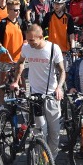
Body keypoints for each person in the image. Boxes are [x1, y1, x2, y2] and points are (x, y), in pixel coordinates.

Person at [9, 25, 65, 158]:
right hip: (35, 96)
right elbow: (21, 62)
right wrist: (16, 81)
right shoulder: (27, 48)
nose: (29, 42)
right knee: (40, 132)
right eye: (27, 39)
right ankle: (39, 162)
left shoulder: (53, 49)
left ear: (41, 37)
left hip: (51, 95)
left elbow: (62, 71)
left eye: (32, 40)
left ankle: (50, 161)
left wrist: (59, 87)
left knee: (54, 133)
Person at [0, 0, 26, 112]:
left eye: (19, 10)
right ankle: (1, 103)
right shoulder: (2, 24)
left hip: (19, 57)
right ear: (9, 10)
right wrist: (0, 47)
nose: (18, 12)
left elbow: (26, 38)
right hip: (6, 57)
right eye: (15, 10)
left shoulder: (21, 22)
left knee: (21, 79)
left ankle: (23, 100)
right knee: (2, 80)